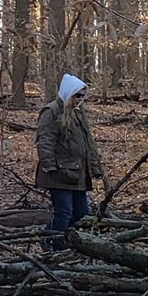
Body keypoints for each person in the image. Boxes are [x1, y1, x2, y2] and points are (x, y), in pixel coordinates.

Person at [35, 73, 100, 251]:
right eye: (77, 95)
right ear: (68, 93)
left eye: (82, 95)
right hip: (59, 174)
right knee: (64, 213)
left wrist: (95, 167)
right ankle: (55, 244)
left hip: (76, 173)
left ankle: (51, 234)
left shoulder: (78, 114)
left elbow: (88, 143)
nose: (80, 99)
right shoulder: (52, 112)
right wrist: (51, 167)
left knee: (81, 211)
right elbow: (45, 141)